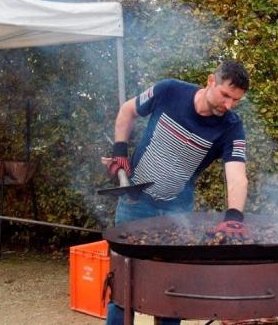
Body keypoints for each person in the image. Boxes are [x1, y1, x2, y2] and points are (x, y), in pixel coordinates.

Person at [102, 60, 250, 325]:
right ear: (210, 81)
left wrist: (234, 216)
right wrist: (120, 150)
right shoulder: (169, 90)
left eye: (235, 100)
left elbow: (236, 175)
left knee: (173, 292)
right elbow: (127, 111)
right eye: (225, 95)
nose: (228, 105)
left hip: (177, 209)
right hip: (134, 204)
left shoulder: (231, 126)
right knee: (123, 287)